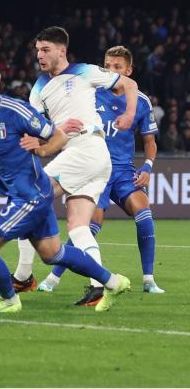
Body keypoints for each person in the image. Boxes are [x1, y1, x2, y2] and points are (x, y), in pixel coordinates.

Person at [0, 59, 131, 313]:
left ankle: (9, 298)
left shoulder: (16, 111)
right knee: (53, 254)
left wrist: (41, 150)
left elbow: (56, 134)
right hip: (25, 195)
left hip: (30, 197)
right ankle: (113, 282)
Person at [0, 26, 138, 307]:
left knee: (28, 197)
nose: (39, 55)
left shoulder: (84, 71)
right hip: (86, 155)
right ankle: (100, 287)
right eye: (37, 50)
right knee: (77, 227)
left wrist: (129, 113)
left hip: (87, 148)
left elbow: (130, 85)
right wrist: (45, 136)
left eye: (45, 49)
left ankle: (23, 277)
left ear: (62, 51)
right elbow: (38, 132)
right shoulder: (38, 89)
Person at [38, 46, 164, 294]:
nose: (111, 71)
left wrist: (147, 167)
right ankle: (53, 277)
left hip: (123, 171)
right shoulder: (91, 93)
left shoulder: (140, 101)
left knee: (144, 212)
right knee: (87, 224)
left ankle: (149, 279)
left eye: (117, 67)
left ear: (129, 70)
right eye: (107, 66)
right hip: (95, 167)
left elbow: (150, 142)